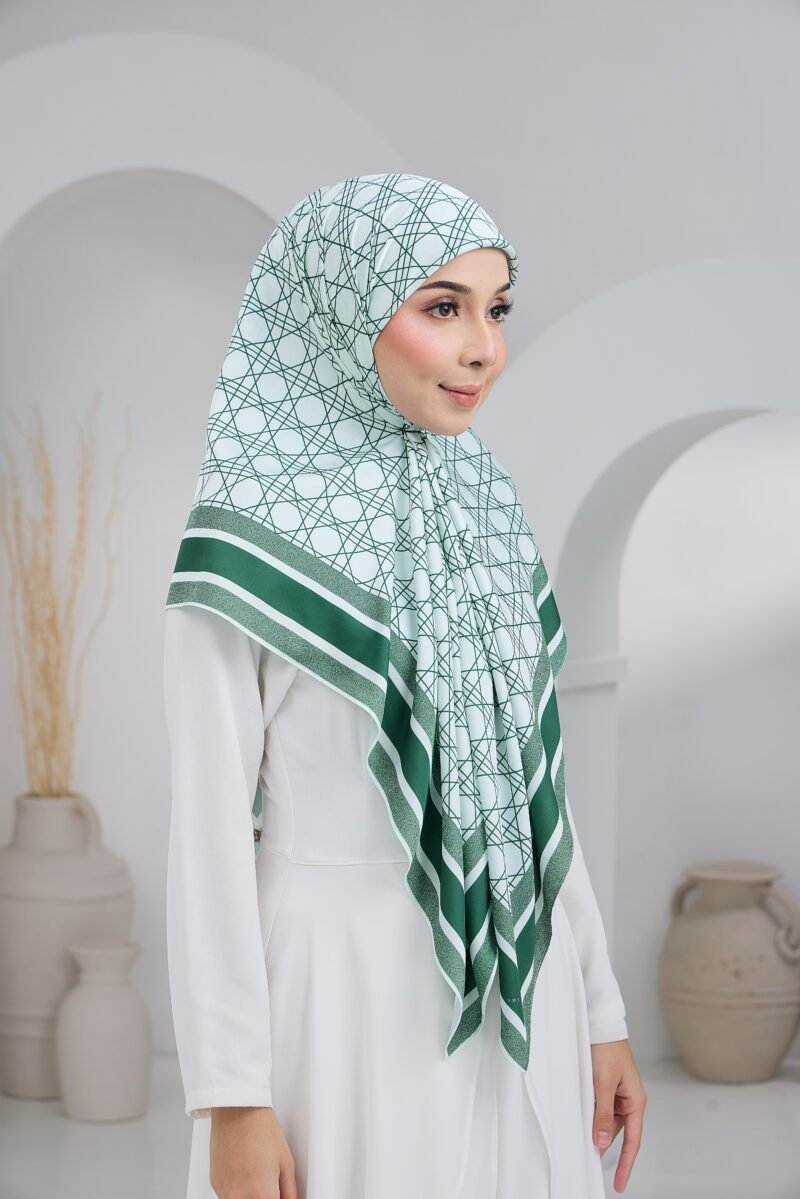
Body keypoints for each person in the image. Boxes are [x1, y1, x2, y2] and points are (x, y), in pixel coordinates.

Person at [163, 172, 647, 1199]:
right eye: (442, 307)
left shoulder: (483, 507)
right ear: (342, 312)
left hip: (526, 998)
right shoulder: (244, 543)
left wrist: (600, 1009)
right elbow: (207, 834)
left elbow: (531, 787)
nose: (483, 348)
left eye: (495, 310)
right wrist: (231, 1097)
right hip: (342, 1007)